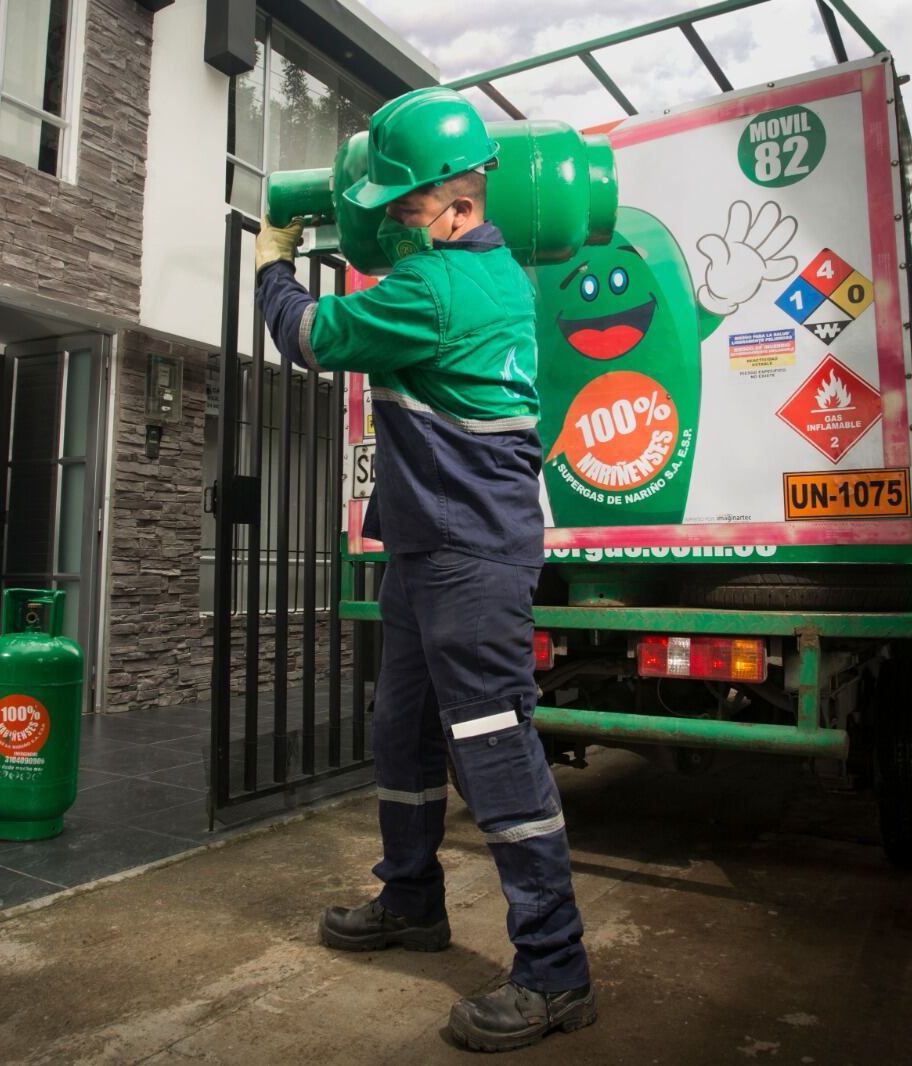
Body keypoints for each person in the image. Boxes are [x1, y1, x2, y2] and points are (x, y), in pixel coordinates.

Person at [254, 87, 594, 1053]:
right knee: (400, 729)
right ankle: (410, 899)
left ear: (456, 208)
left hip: (467, 555)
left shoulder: (437, 290)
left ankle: (556, 973)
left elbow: (309, 336)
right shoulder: (487, 276)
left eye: (402, 211)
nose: (392, 228)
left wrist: (274, 262)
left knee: (494, 746)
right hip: (423, 546)